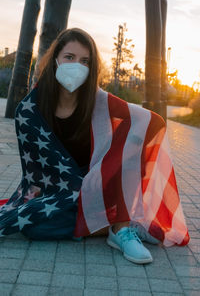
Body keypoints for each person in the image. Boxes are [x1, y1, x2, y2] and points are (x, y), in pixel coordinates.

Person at [0, 28, 189, 265]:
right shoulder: (29, 110)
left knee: (132, 139)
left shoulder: (98, 101)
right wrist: (83, 196)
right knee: (32, 225)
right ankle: (115, 223)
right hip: (56, 189)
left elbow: (151, 122)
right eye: (69, 57)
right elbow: (36, 173)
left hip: (98, 182)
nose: (76, 65)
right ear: (55, 60)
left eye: (85, 61)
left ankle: (120, 229)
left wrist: (119, 156)